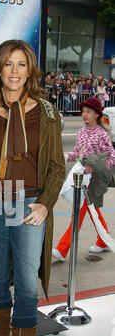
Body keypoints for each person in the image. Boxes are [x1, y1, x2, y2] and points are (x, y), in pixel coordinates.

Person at [0, 40, 65, 336]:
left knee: (26, 286)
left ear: (30, 71)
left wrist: (45, 203)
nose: (14, 71)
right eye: (8, 64)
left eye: (21, 64)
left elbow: (58, 167)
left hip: (28, 204)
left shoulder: (46, 112)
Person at [52, 97, 115, 262]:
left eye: (88, 112)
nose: (84, 115)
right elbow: (77, 154)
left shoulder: (102, 134)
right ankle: (103, 240)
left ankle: (62, 249)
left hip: (93, 179)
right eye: (83, 112)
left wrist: (94, 167)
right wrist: (64, 157)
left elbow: (111, 157)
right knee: (93, 211)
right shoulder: (81, 132)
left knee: (79, 212)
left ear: (96, 114)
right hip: (80, 175)